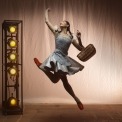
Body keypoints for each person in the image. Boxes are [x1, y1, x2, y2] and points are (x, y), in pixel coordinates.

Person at [34, 8, 85, 110]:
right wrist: (46, 11)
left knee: (58, 81)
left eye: (63, 22)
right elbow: (47, 21)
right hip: (55, 57)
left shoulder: (71, 36)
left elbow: (81, 48)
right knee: (61, 81)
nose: (60, 22)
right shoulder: (56, 32)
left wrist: (79, 38)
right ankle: (77, 99)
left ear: (67, 25)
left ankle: (41, 67)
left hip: (64, 60)